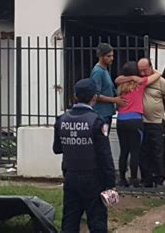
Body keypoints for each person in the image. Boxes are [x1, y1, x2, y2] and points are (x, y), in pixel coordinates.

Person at [53, 78, 116, 233]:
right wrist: (110, 183)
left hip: (71, 176)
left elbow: (57, 148)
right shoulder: (97, 121)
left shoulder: (61, 120)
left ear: (75, 96)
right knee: (97, 219)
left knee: (70, 219)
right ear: (94, 97)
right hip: (94, 178)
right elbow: (104, 155)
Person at [116, 57, 165, 187]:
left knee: (157, 151)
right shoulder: (138, 82)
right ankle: (145, 179)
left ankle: (157, 179)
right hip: (140, 121)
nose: (142, 73)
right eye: (139, 71)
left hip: (155, 121)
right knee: (142, 152)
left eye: (144, 70)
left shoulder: (160, 82)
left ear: (150, 67)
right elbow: (119, 79)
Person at [90, 43, 126, 133]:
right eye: (108, 56)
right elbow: (95, 95)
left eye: (112, 56)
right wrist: (114, 100)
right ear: (101, 56)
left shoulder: (104, 70)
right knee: (103, 139)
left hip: (106, 114)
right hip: (101, 114)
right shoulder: (98, 72)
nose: (112, 58)